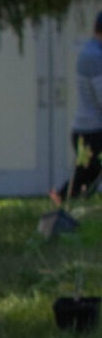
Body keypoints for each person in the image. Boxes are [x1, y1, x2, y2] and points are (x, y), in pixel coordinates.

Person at [64, 11, 102, 205]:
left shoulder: (93, 52)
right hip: (90, 131)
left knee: (87, 172)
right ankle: (62, 200)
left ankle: (63, 200)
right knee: (87, 172)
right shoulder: (93, 56)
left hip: (89, 130)